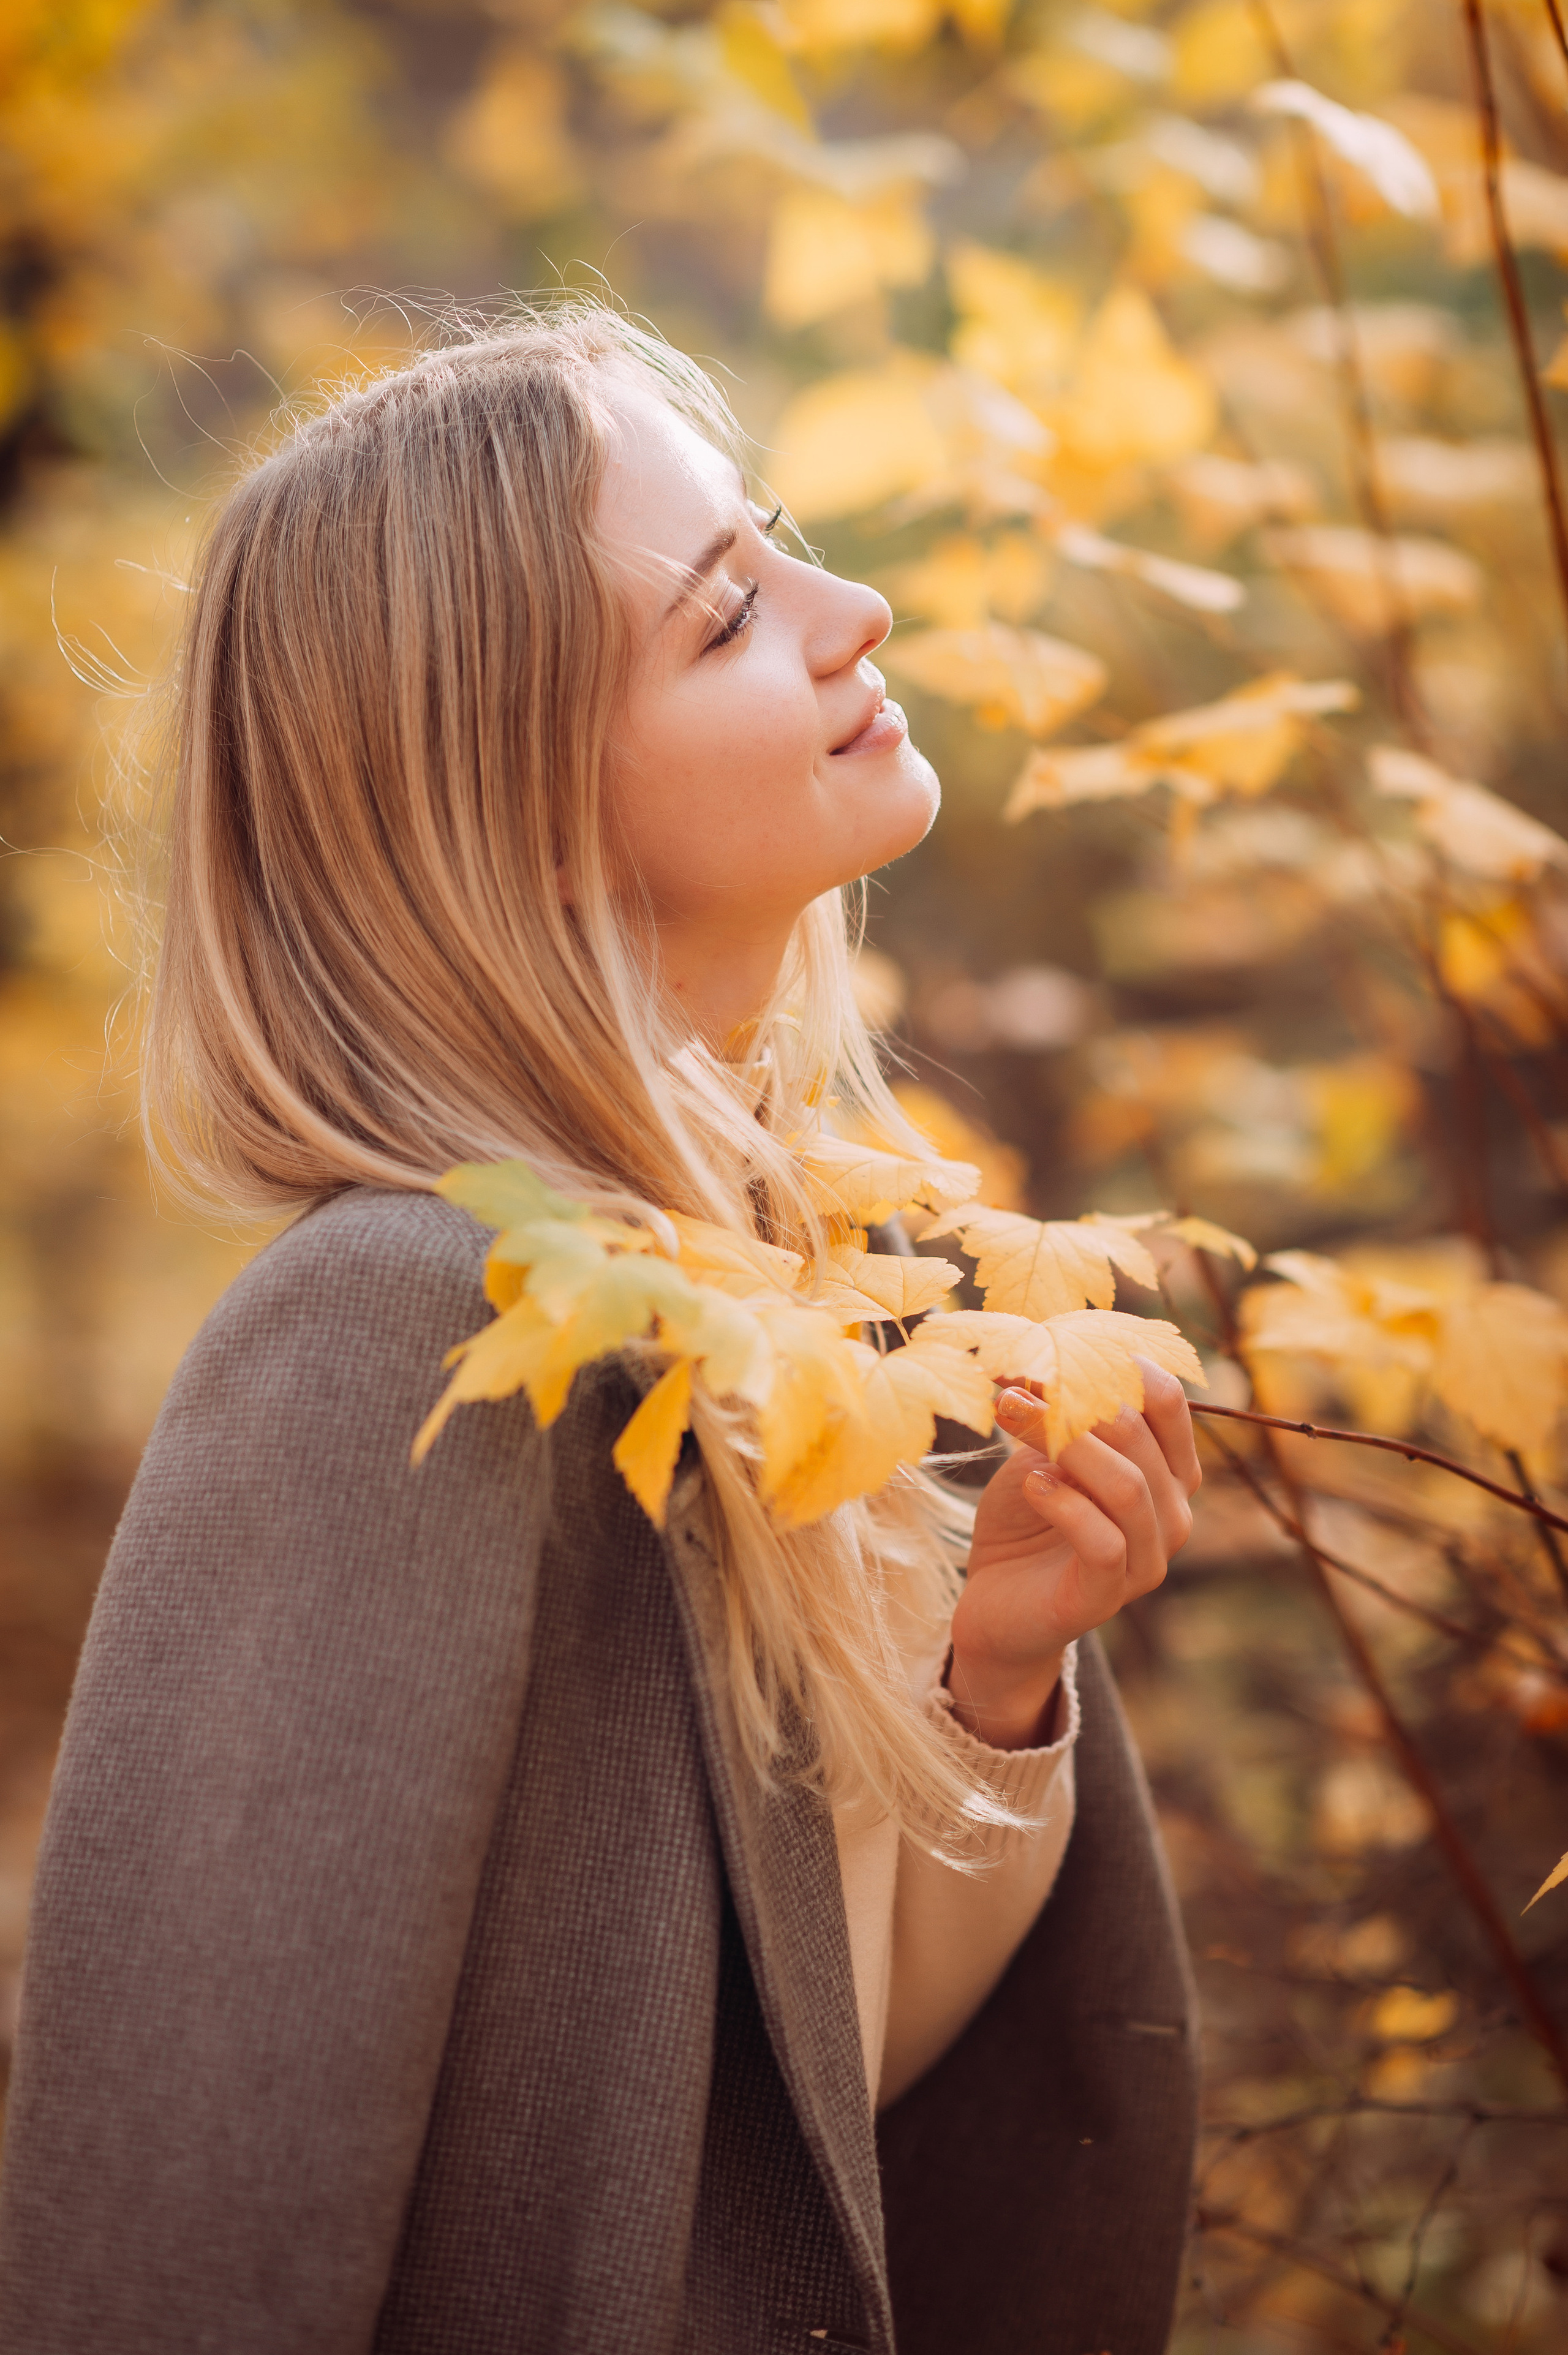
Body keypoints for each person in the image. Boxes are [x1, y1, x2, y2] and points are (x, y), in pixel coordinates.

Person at [0, 304, 1201, 2355]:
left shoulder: (773, 1311)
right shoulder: (384, 1333)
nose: (856, 611)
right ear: (520, 813)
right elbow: (185, 2216)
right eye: (727, 618)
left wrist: (989, 1683)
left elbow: (769, 2148)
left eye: (780, 547)